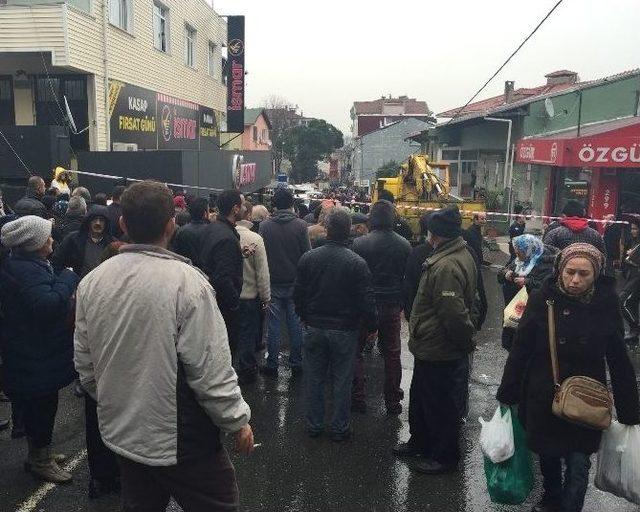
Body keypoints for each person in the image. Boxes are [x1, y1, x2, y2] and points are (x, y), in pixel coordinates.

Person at [74, 181, 253, 511]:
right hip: (183, 439)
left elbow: (86, 363)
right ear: (171, 224)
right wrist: (236, 420)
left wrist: (116, 400)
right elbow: (210, 368)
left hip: (123, 432)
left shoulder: (92, 281)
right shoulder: (189, 284)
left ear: (123, 224)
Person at [497, 243, 640, 512]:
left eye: (584, 274)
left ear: (596, 274)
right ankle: (550, 499)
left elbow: (619, 358)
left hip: (587, 397)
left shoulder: (606, 303)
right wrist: (508, 392)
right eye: (570, 272)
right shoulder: (543, 298)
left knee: (578, 463)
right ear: (560, 270)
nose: (575, 280)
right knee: (548, 454)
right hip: (544, 391)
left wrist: (629, 410)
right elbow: (521, 349)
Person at [394, 206, 477, 475]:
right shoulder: (448, 255)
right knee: (423, 398)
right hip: (431, 346)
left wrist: (464, 342)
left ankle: (443, 456)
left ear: (436, 234)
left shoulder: (447, 265)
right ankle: (421, 443)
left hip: (442, 348)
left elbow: (453, 313)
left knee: (441, 404)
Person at [0, 216, 79, 483]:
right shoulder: (28, 271)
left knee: (41, 406)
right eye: (47, 236)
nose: (52, 239)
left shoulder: (24, 264)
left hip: (32, 352)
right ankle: (39, 461)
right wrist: (67, 279)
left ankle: (39, 452)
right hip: (34, 354)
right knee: (42, 408)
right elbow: (47, 306)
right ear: (34, 243)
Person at [294, 208, 377, 441]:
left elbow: (298, 293)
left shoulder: (309, 258)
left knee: (315, 377)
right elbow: (366, 299)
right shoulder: (357, 263)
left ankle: (314, 425)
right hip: (345, 329)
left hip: (314, 326)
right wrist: (371, 326)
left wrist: (304, 316)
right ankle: (340, 428)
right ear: (348, 230)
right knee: (342, 379)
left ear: (328, 230)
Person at [352, 200, 411, 415]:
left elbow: (357, 278)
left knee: (355, 351)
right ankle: (393, 400)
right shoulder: (404, 245)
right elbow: (406, 278)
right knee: (392, 354)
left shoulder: (360, 244)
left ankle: (358, 398)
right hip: (392, 306)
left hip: (365, 304)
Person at [259, 188, 310, 379]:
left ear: (274, 205)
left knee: (273, 325)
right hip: (295, 283)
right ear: (291, 204)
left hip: (272, 282)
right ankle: (296, 362)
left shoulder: (265, 226)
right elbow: (307, 254)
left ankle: (272, 364)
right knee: (295, 324)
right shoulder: (301, 226)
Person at [200, 190, 244, 356]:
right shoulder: (226, 237)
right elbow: (222, 277)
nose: (245, 210)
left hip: (211, 301)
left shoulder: (212, 228)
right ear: (235, 209)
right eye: (242, 206)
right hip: (223, 307)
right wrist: (234, 303)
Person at [497, 234, 558, 350]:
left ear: (529, 250)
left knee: (528, 348)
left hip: (534, 315)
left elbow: (549, 287)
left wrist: (528, 282)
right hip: (515, 311)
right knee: (512, 346)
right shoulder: (521, 260)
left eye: (519, 252)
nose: (517, 255)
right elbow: (502, 272)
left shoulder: (548, 263)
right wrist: (506, 273)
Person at [235, 203, 271, 384]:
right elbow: (262, 272)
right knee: (248, 334)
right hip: (250, 296)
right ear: (248, 216)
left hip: (229, 293)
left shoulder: (226, 234)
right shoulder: (255, 239)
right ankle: (247, 369)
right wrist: (266, 297)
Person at [52, 205, 115, 279]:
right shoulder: (72, 239)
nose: (98, 223)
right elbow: (57, 262)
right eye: (94, 219)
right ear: (88, 221)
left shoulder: (112, 244)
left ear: (106, 223)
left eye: (101, 220)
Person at [172, 197, 211, 268]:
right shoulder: (211, 231)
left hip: (185, 268)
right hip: (205, 272)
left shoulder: (181, 231)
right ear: (205, 213)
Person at [620, 219, 640, 346]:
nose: (633, 231)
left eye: (636, 228)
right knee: (631, 303)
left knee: (623, 302)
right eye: (632, 228)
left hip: (637, 278)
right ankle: (634, 332)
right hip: (631, 276)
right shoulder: (633, 242)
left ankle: (635, 326)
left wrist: (631, 258)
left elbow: (631, 259)